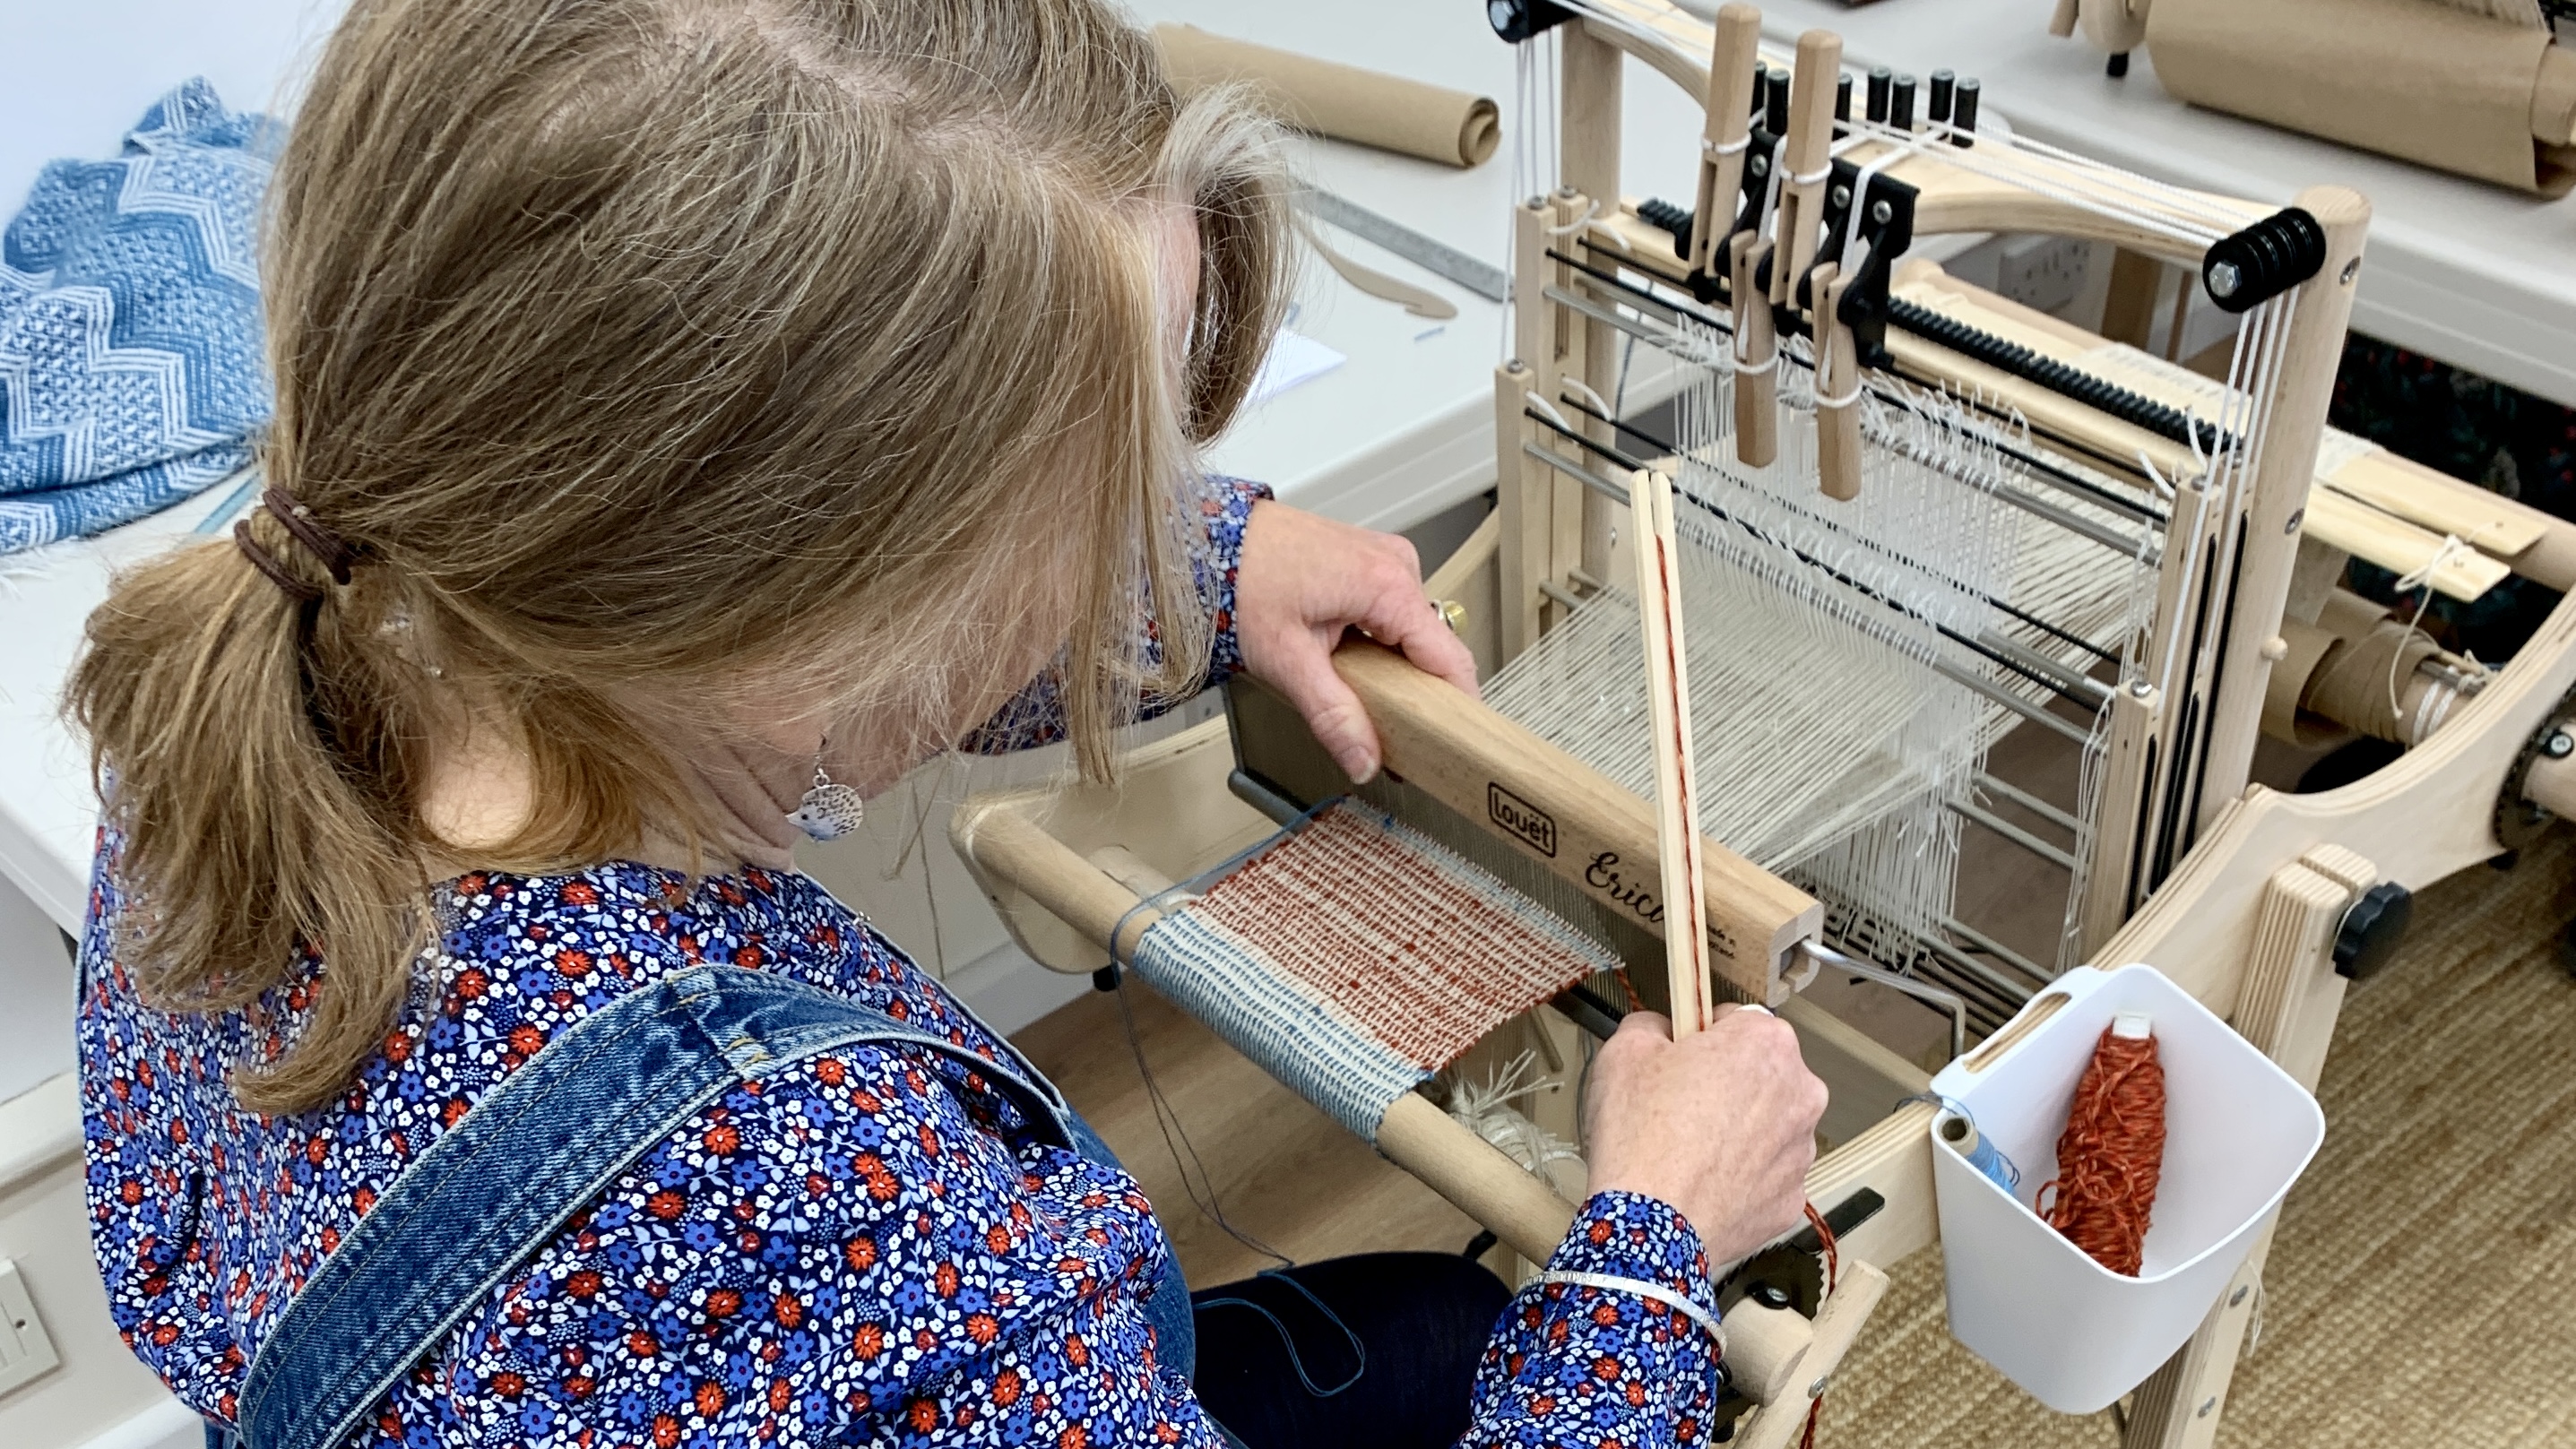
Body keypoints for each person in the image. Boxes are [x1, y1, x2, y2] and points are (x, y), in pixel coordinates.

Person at [67, 1, 1829, 1445]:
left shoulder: (235, 713)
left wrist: (1210, 570)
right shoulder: (904, 1265)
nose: (1142, 523)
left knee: (1436, 1320)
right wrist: (1652, 1244)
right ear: (824, 608)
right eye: (1105, 491)